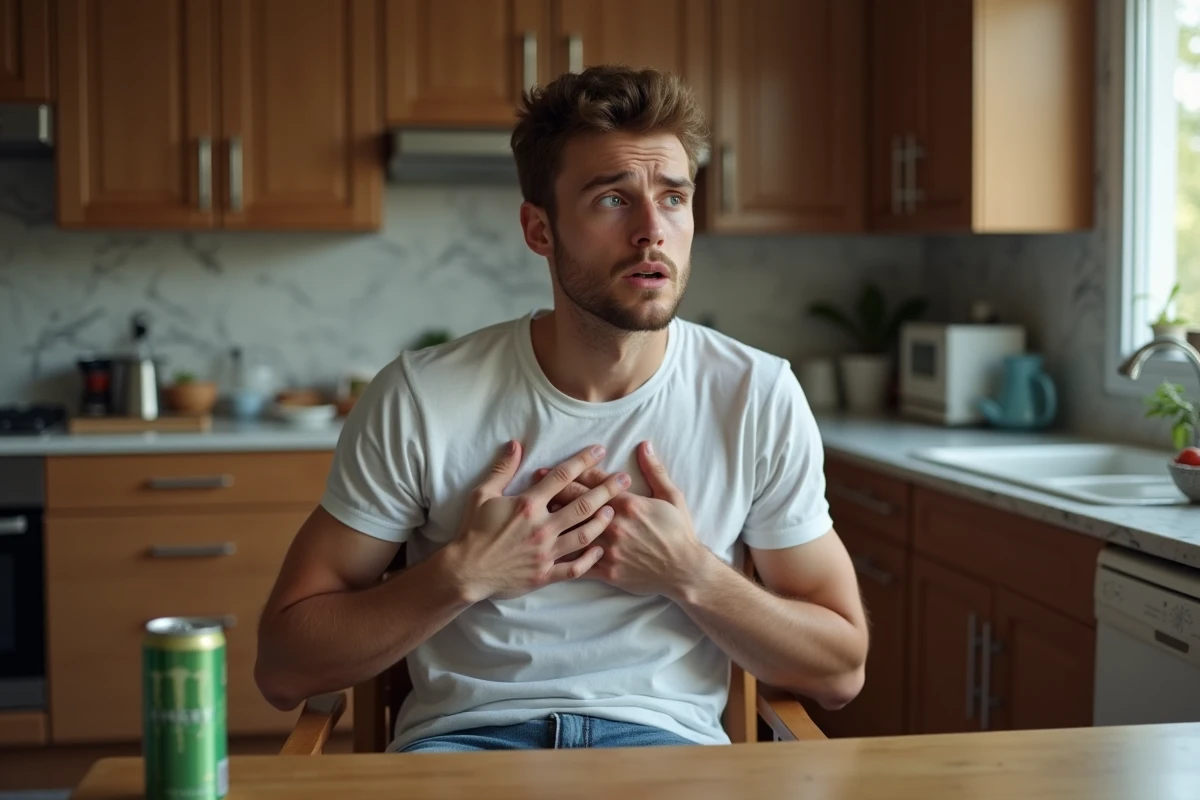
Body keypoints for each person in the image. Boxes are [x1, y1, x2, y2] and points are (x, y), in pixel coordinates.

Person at [254, 64, 868, 754]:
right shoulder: (421, 397)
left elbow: (839, 672)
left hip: (666, 752)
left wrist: (689, 573)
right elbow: (283, 667)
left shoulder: (756, 394)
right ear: (539, 230)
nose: (651, 230)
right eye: (613, 199)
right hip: (464, 751)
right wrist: (463, 574)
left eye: (673, 197)